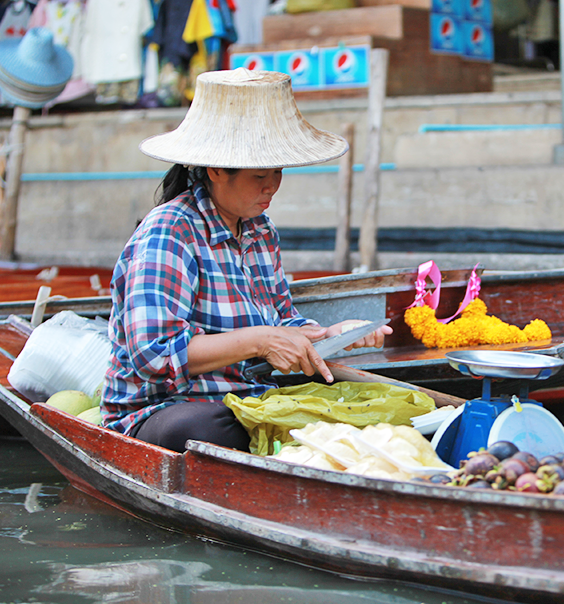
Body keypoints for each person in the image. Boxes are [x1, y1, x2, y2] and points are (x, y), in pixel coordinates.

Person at [103, 68, 392, 453]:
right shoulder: (170, 230)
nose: (271, 186)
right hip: (165, 410)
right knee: (207, 428)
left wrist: (333, 335)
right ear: (217, 170)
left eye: (277, 172)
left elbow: (283, 323)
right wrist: (259, 341)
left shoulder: (260, 230)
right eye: (259, 175)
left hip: (251, 401)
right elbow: (152, 355)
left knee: (355, 403)